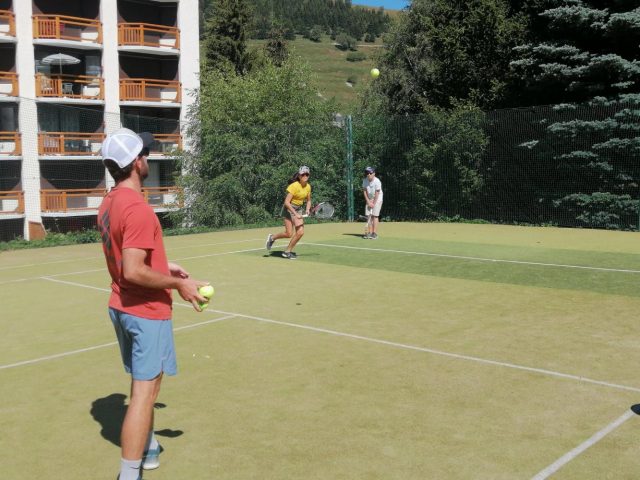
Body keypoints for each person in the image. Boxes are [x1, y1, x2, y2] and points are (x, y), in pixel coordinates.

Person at [97, 128, 209, 480]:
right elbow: (132, 270)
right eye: (144, 153)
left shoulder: (109, 201)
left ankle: (149, 449)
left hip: (122, 307)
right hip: (145, 312)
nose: (148, 158)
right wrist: (178, 283)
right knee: (144, 394)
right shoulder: (139, 209)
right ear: (135, 163)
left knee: (144, 387)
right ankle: (130, 474)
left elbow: (125, 256)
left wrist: (163, 265)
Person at [265, 165, 312, 259]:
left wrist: (307, 209)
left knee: (300, 232)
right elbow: (286, 202)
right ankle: (272, 238)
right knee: (289, 234)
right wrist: (295, 214)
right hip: (289, 208)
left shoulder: (308, 187)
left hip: (298, 208)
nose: (305, 176)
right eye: (303, 174)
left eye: (307, 174)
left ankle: (287, 252)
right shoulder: (294, 186)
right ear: (299, 175)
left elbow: (309, 200)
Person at [362, 166, 383, 239]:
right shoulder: (365, 180)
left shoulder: (377, 181)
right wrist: (368, 201)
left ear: (374, 173)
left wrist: (373, 203)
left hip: (378, 198)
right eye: (367, 173)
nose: (368, 174)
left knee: (375, 215)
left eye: (370, 173)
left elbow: (377, 193)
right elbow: (364, 191)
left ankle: (374, 233)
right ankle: (369, 233)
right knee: (368, 216)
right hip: (369, 198)